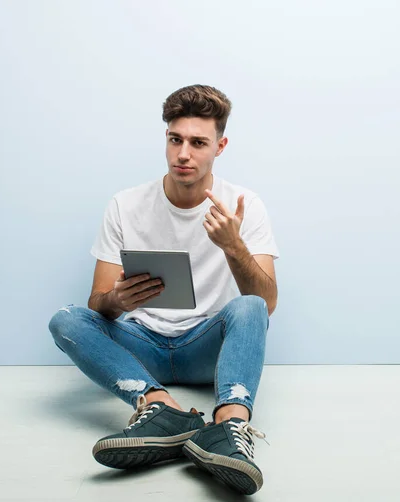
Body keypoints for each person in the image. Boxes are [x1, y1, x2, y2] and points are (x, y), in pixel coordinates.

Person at [48, 85, 279, 495]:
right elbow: (96, 301)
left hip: (206, 348)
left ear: (220, 146)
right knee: (66, 320)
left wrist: (233, 245)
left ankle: (227, 427)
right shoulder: (125, 204)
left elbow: (267, 304)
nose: (183, 154)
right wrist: (116, 301)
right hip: (144, 347)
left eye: (197, 143)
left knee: (247, 307)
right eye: (175, 140)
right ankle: (162, 409)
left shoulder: (244, 203)